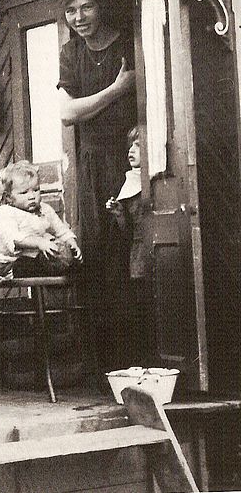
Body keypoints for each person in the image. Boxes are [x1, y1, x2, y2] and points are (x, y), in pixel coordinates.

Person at [56, 0, 137, 375]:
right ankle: (106, 366)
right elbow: (67, 113)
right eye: (71, 10)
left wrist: (91, 105)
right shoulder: (71, 53)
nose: (79, 17)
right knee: (99, 257)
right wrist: (117, 90)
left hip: (131, 160)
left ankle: (137, 359)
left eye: (86, 7)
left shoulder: (128, 42)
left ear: (101, 6)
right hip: (92, 166)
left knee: (131, 254)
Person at [105, 126, 153, 369]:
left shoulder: (153, 179)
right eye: (130, 146)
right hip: (138, 257)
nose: (131, 151)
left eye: (138, 146)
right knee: (140, 309)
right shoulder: (129, 181)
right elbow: (129, 232)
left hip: (156, 251)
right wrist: (118, 214)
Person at [0, 161, 82, 279]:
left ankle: (66, 268)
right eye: (24, 192)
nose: (32, 196)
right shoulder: (5, 213)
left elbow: (61, 230)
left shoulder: (44, 209)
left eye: (36, 190)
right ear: (9, 197)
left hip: (36, 258)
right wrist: (40, 242)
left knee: (75, 263)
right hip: (9, 264)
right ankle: (58, 268)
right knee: (29, 264)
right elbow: (15, 239)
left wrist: (71, 243)